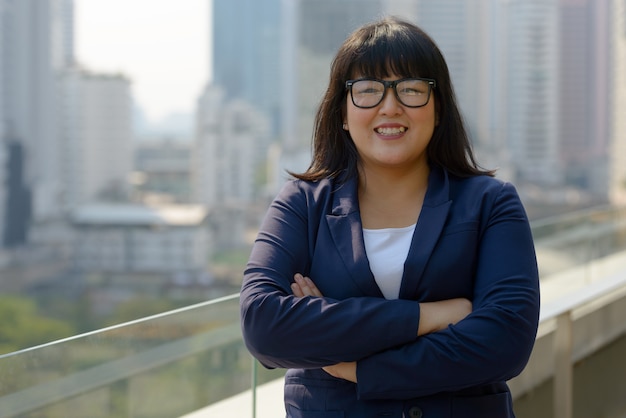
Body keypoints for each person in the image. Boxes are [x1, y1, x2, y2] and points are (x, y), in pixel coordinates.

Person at [240, 16, 540, 418]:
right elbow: (263, 326)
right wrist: (429, 316)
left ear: (438, 109)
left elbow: (506, 341)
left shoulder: (491, 203)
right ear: (342, 112)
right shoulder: (301, 204)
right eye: (367, 90)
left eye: (412, 89)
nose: (390, 106)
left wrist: (356, 366)